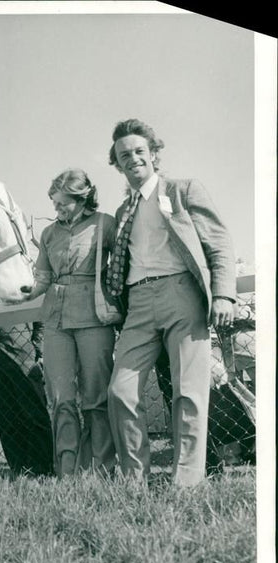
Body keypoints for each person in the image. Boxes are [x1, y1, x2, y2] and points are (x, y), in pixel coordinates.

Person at [105, 118, 236, 486]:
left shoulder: (183, 190)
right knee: (121, 391)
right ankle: (134, 483)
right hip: (138, 304)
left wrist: (224, 293)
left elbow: (219, 243)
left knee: (189, 393)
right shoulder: (122, 212)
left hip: (182, 295)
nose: (132, 158)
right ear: (117, 164)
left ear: (154, 155)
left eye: (138, 151)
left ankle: (187, 485)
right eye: (123, 155)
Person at [23, 169, 117, 476]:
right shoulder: (49, 234)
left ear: (82, 198)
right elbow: (42, 278)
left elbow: (123, 266)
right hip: (55, 320)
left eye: (63, 204)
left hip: (94, 316)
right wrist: (23, 292)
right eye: (55, 204)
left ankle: (101, 470)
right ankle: (66, 471)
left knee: (96, 396)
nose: (57, 210)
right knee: (61, 397)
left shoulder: (105, 224)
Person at [0, 323, 55, 476]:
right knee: (5, 417)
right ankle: (18, 469)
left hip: (22, 352)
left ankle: (42, 470)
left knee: (34, 412)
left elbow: (40, 318)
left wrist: (39, 351)